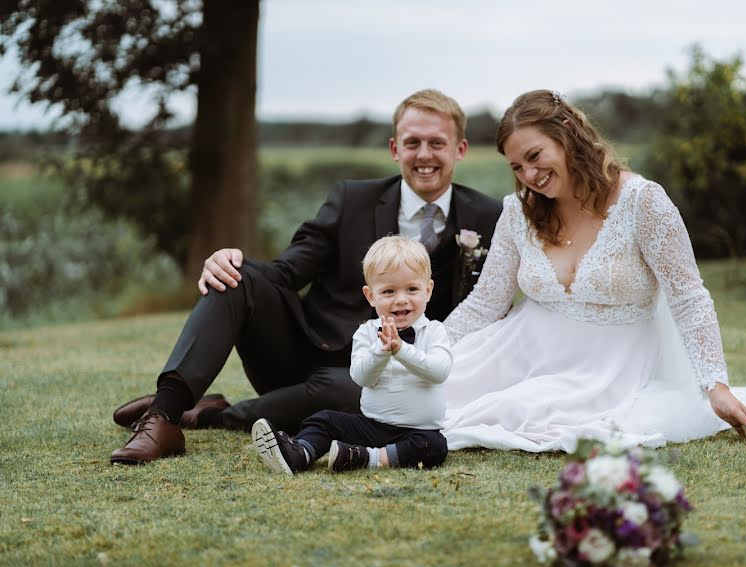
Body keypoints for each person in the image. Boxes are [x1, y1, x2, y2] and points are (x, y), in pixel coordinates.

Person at [110, 89, 502, 465]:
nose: (424, 155)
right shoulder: (352, 198)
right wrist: (236, 263)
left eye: (437, 143)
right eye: (412, 142)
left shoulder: (486, 216)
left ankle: (214, 414)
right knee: (235, 276)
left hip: (391, 375)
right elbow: (287, 270)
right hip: (303, 352)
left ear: (460, 149)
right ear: (395, 148)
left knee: (353, 390)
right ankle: (165, 415)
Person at [438, 90, 746, 452]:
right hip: (522, 348)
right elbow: (485, 303)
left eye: (535, 156)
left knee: (514, 409)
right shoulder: (518, 212)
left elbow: (689, 297)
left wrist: (717, 386)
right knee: (431, 389)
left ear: (567, 133)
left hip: (607, 367)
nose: (529, 175)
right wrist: (429, 348)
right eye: (517, 167)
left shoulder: (642, 202)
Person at [253, 236, 451, 474]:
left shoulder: (435, 331)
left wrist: (402, 350)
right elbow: (361, 377)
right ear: (370, 296)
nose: (401, 299)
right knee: (324, 419)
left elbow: (439, 371)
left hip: (419, 430)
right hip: (371, 425)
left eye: (412, 289)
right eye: (388, 291)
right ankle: (299, 453)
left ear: (428, 290)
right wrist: (381, 351)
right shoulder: (367, 332)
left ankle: (365, 457)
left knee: (435, 447)